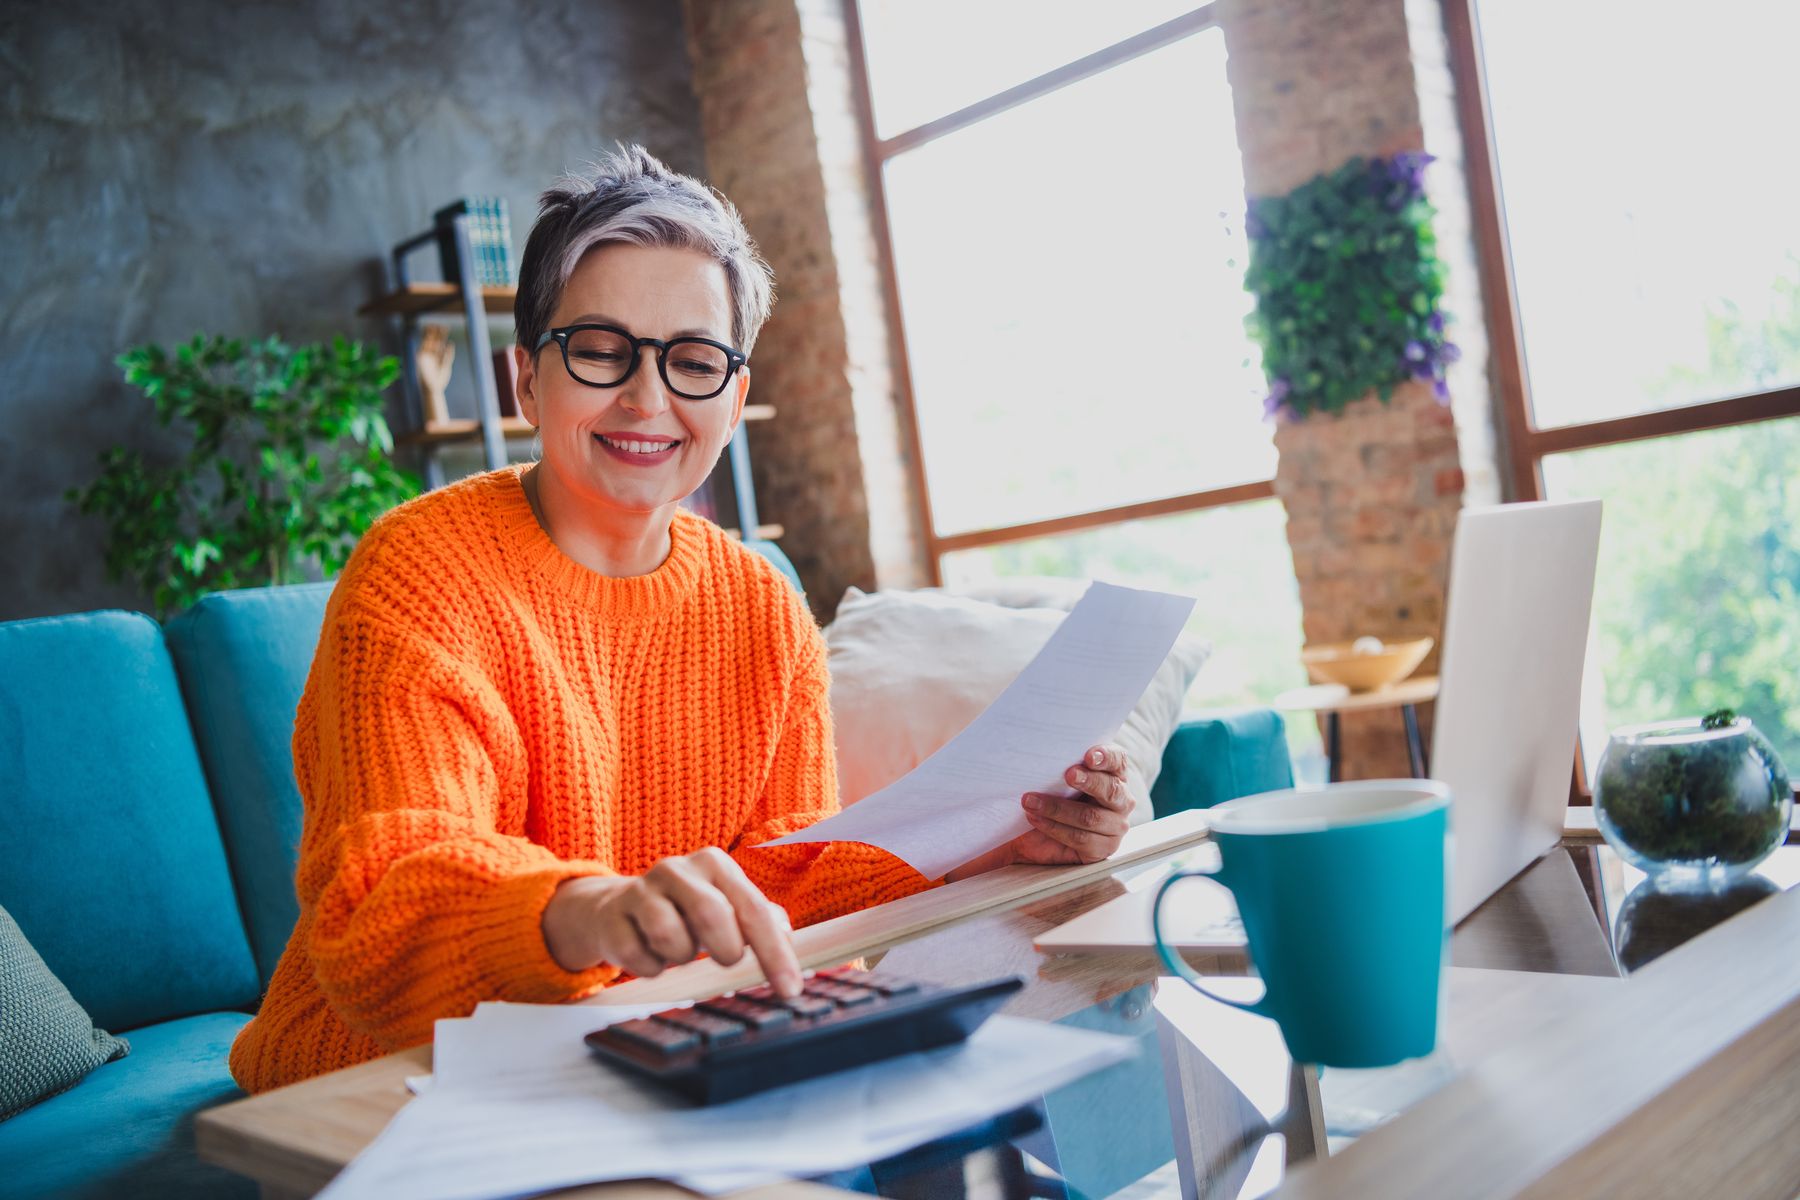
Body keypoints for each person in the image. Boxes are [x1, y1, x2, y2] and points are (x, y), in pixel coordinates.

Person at [228, 146, 1136, 1094]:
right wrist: (590, 911)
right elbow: (381, 905)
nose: (647, 397)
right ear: (526, 380)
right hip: (382, 1077)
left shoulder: (761, 605)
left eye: (694, 361)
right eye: (599, 349)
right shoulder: (419, 572)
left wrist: (1000, 842)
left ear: (735, 399)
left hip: (642, 1055)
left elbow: (781, 879)